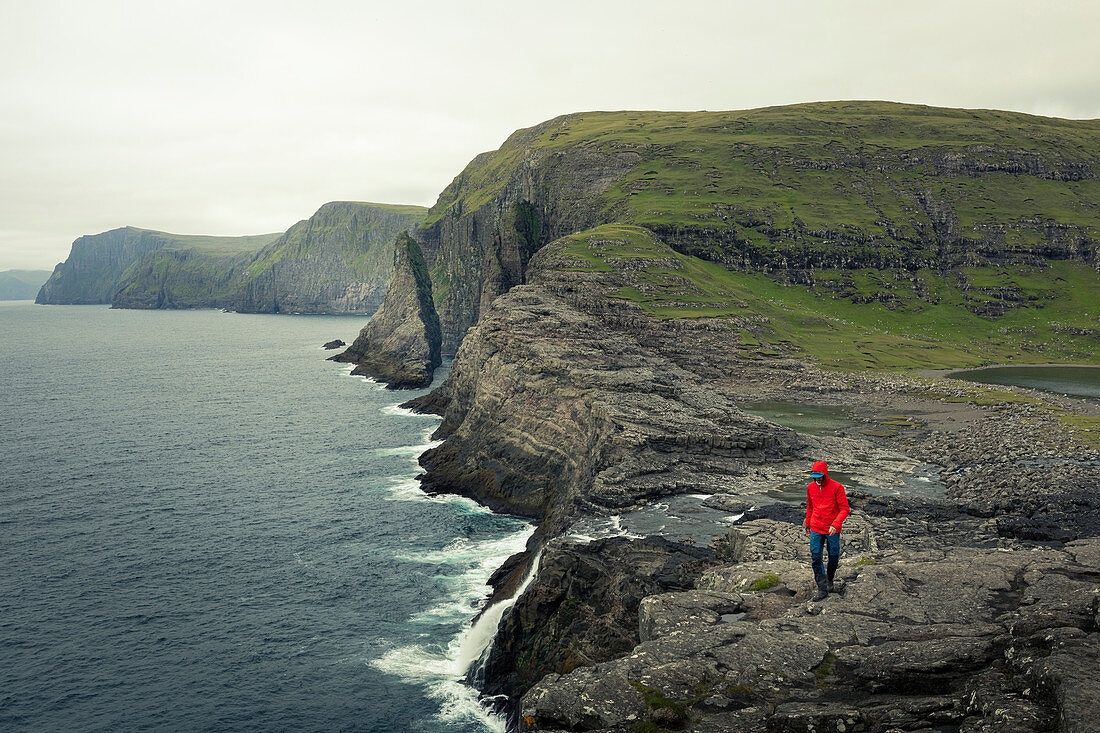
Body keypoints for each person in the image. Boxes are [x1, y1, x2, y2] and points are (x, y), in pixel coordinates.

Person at [804, 460, 850, 601]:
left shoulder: (837, 487)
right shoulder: (810, 487)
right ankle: (822, 588)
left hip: (832, 529)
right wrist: (807, 524)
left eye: (819, 476)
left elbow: (845, 508)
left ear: (825, 474)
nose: (817, 479)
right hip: (816, 527)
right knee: (815, 556)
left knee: (834, 556)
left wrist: (835, 524)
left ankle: (830, 579)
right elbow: (810, 507)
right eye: (815, 477)